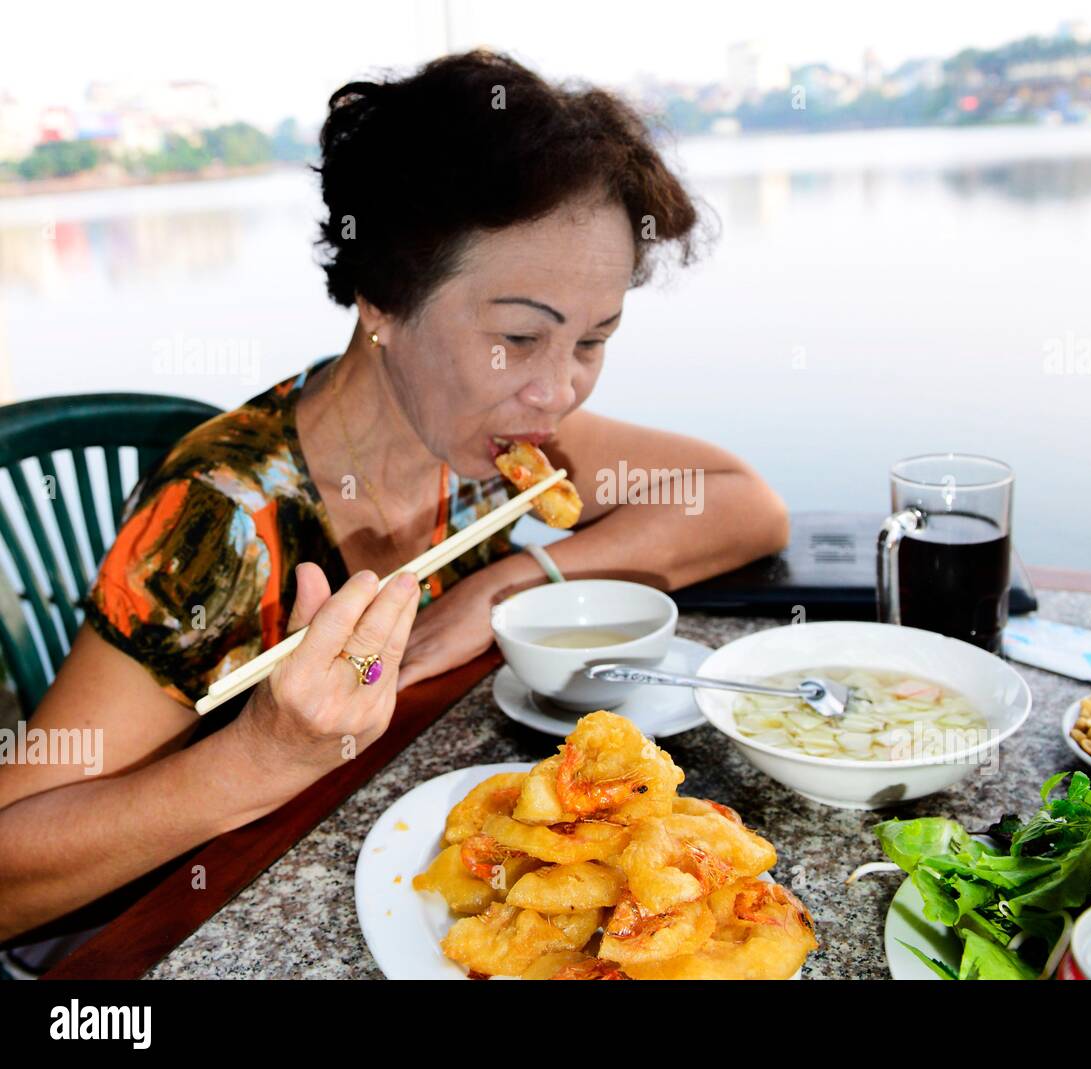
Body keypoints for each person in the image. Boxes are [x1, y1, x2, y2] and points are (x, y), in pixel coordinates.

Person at [0, 50, 788, 948]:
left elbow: (742, 503)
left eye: (593, 339)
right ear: (383, 299)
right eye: (520, 335)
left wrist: (500, 589)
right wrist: (260, 758)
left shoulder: (506, 445)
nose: (560, 391)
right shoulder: (222, 515)